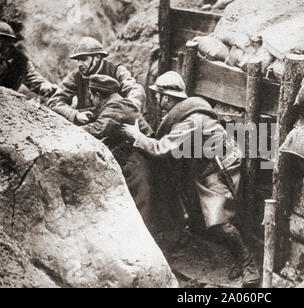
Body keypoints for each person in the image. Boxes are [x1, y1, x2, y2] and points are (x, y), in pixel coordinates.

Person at [122, 71, 261, 287]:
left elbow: (161, 148)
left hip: (219, 168)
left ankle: (249, 265)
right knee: (199, 217)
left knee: (219, 221)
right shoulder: (186, 117)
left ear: (167, 97)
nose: (157, 101)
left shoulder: (191, 121)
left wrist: (138, 137)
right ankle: (232, 258)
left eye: (159, 96)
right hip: (206, 167)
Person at [81, 74, 157, 232]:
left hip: (139, 156)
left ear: (98, 95)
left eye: (91, 97)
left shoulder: (116, 106)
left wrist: (66, 129)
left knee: (138, 201)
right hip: (137, 153)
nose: (92, 101)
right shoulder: (118, 102)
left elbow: (99, 129)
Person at [48, 36, 146, 126]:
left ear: (97, 57)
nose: (79, 64)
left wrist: (129, 106)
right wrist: (75, 115)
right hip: (88, 127)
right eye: (78, 60)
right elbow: (54, 102)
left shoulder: (116, 71)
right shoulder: (75, 77)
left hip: (115, 124)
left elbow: (135, 89)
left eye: (84, 59)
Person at [0, 21, 57, 97]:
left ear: (11, 42)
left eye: (4, 40)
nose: (1, 44)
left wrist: (47, 87)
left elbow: (33, 79)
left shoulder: (20, 60)